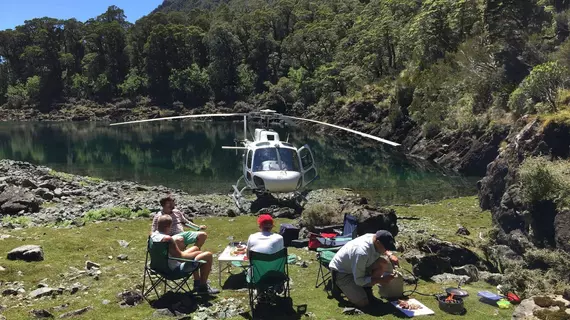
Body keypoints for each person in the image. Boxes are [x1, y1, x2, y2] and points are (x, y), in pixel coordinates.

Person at [328, 230, 399, 308]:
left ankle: (367, 291)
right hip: (342, 272)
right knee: (363, 303)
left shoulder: (374, 237)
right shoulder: (361, 252)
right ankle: (339, 287)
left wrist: (390, 255)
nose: (386, 250)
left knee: (382, 263)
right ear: (378, 243)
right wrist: (381, 280)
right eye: (385, 248)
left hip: (357, 265)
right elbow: (359, 280)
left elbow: (384, 248)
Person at [151, 215, 219, 294]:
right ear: (168, 226)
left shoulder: (152, 236)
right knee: (207, 255)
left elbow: (177, 255)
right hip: (173, 271)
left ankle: (197, 282)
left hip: (158, 268)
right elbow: (180, 257)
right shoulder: (168, 239)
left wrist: (195, 251)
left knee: (195, 249)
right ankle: (203, 287)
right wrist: (197, 254)